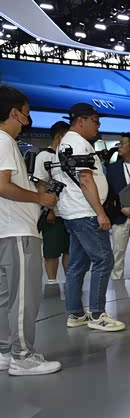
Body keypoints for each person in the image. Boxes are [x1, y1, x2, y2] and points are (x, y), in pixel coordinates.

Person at [0, 86, 61, 375]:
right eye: (26, 113)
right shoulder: (5, 142)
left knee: (5, 297)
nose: (28, 119)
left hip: (5, 230)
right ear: (14, 113)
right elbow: (3, 186)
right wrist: (41, 198)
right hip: (17, 231)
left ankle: (4, 351)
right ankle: (22, 356)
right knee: (23, 297)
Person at [51, 103, 125, 332]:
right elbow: (85, 179)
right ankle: (97, 314)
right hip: (86, 212)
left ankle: (76, 313)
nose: (98, 125)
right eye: (95, 120)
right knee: (104, 260)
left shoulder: (67, 143)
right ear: (80, 120)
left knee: (77, 264)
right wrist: (100, 212)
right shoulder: (78, 143)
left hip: (74, 212)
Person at [32, 121, 71, 284]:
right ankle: (52, 281)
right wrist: (49, 209)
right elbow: (40, 184)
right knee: (52, 250)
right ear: (59, 137)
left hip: (69, 211)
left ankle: (70, 281)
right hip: (53, 211)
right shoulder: (44, 156)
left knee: (69, 249)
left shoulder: (68, 157)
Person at [107, 133, 130, 281]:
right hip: (119, 216)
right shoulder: (112, 169)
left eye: (122, 144)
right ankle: (116, 281)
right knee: (117, 253)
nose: (119, 146)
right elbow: (109, 194)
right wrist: (121, 208)